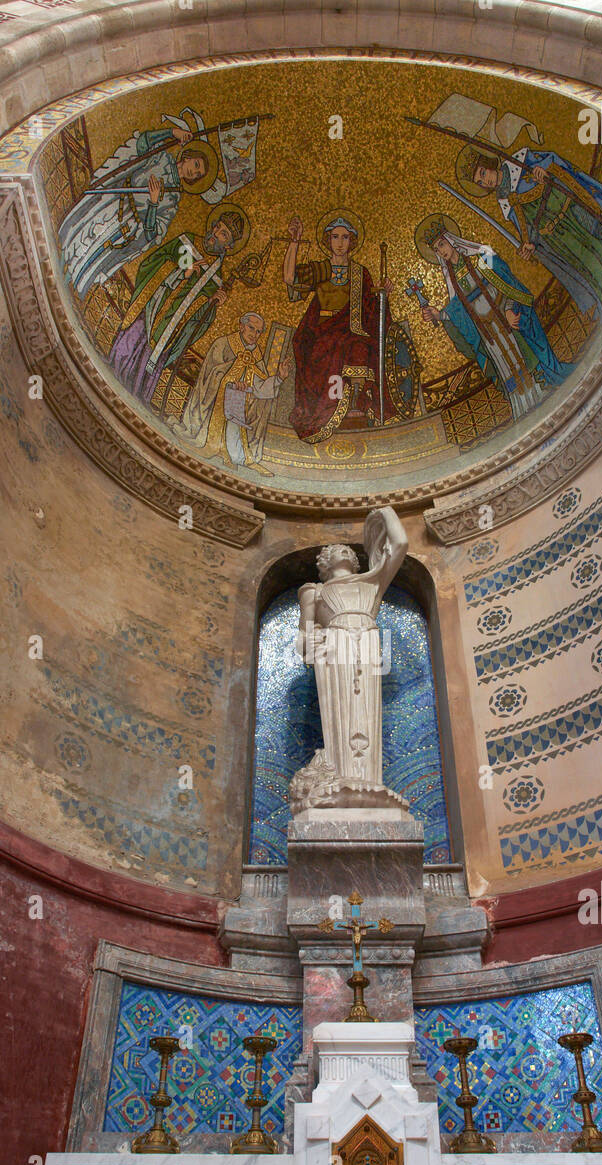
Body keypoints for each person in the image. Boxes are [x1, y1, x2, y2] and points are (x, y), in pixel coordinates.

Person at [289, 507, 408, 813]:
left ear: (356, 560)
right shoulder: (314, 591)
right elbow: (305, 638)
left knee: (365, 709)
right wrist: (311, 644)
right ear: (322, 564)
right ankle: (341, 777)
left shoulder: (373, 582)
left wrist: (386, 512)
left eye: (344, 549)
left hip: (368, 641)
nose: (339, 551)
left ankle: (368, 779)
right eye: (332, 550)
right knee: (341, 709)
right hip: (335, 645)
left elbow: (401, 544)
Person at [418, 216, 572, 421]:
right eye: (437, 250)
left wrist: (509, 308)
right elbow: (457, 311)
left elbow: (507, 281)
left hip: (503, 317)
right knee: (504, 365)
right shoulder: (451, 280)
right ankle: (521, 407)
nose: (442, 251)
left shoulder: (481, 256)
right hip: (486, 331)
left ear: (451, 239)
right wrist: (440, 315)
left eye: (442, 244)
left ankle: (540, 391)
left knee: (520, 354)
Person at [58, 109, 222, 298]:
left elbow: (153, 233)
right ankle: (58, 260)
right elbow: (141, 145)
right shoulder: (161, 156)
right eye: (196, 165)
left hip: (123, 228)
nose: (195, 172)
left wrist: (153, 203)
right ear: (187, 157)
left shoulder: (173, 200)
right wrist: (172, 133)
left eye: (199, 174)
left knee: (93, 254)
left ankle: (68, 284)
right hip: (112, 200)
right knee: (80, 231)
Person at [459, 145, 602, 315]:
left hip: (570, 212)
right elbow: (524, 226)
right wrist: (528, 245)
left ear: (489, 164)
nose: (486, 181)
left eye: (483, 173)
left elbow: (553, 159)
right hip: (555, 237)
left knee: (597, 244)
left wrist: (545, 170)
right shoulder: (504, 202)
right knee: (583, 265)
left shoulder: (520, 161)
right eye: (480, 182)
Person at [108, 211, 244, 406]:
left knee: (143, 376)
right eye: (218, 226)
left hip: (169, 335)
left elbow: (198, 321)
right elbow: (151, 263)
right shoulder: (185, 242)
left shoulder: (216, 279)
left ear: (229, 246)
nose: (215, 232)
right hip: (149, 313)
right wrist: (182, 271)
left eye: (223, 234)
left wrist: (212, 304)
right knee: (126, 348)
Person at [282, 211, 394, 442]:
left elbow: (369, 308)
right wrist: (294, 242)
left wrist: (382, 294)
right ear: (328, 240)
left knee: (360, 346)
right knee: (334, 344)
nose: (340, 243)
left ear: (352, 241)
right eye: (335, 237)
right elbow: (290, 278)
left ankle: (355, 403)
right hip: (322, 332)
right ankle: (327, 409)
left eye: (345, 237)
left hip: (352, 331)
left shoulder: (360, 272)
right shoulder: (321, 269)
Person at [181, 311, 289, 472]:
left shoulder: (256, 355)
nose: (254, 334)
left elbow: (260, 387)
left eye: (258, 332)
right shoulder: (223, 343)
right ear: (241, 326)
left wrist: (279, 378)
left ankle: (233, 454)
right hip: (216, 401)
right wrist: (230, 381)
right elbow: (210, 373)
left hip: (238, 403)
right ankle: (214, 445)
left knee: (246, 415)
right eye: (251, 328)